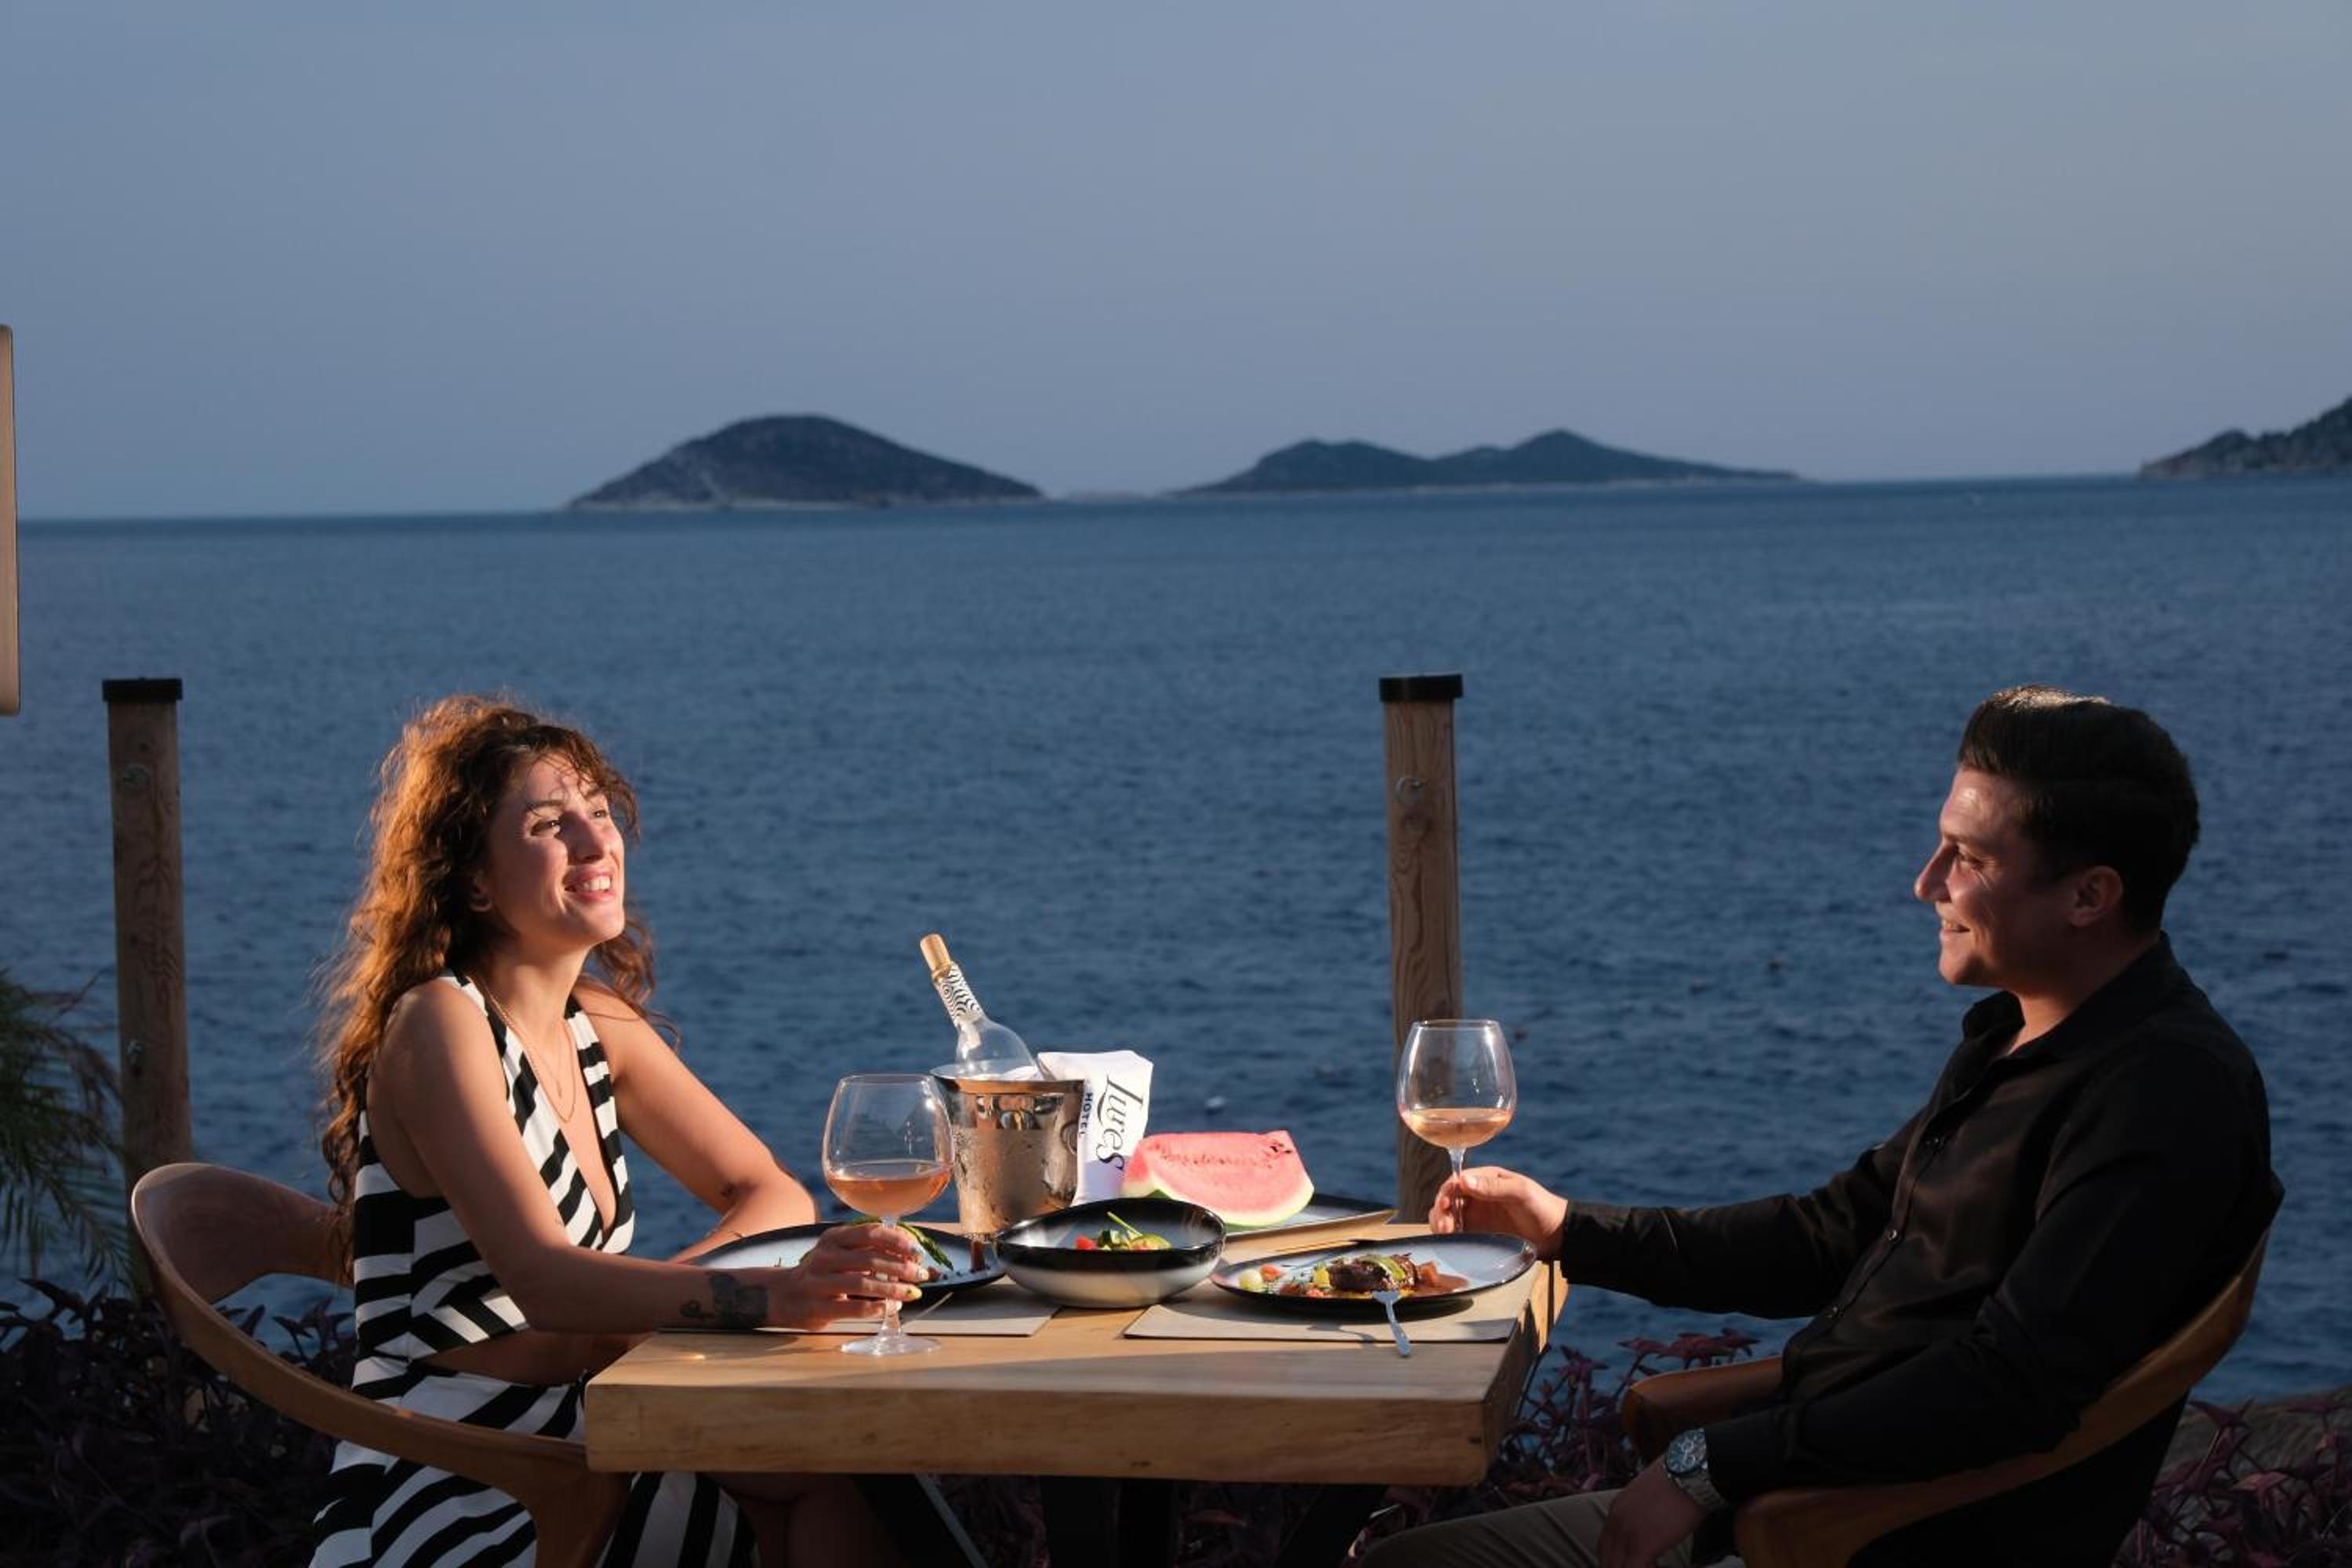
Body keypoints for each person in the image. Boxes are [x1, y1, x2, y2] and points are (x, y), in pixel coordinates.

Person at [1368, 685, 2281, 1568]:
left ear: (2090, 895)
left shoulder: (2164, 1094)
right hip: (1784, 1496)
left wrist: (1708, 1464)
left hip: (1856, 1531)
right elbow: (1831, 1234)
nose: (1926, 882)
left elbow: (2009, 1383)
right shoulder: (2019, 1033)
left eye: (1969, 859)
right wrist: (1571, 1229)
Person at [311, 695, 930, 1567]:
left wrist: (644, 1314)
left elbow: (769, 1191)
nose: (595, 843)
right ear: (475, 880)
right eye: (548, 824)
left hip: (593, 1419)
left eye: (599, 813)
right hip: (458, 1472)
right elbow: (545, 1282)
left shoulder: (591, 1018)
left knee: (853, 1477)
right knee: (837, 1489)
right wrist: (759, 1298)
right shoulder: (440, 1024)